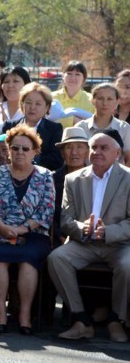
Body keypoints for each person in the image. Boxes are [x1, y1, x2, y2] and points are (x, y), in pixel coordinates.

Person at [49, 129, 130, 343]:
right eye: (94, 148)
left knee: (128, 264)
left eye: (104, 148)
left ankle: (116, 319)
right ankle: (81, 319)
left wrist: (109, 232)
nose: (97, 152)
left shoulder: (128, 179)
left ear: (117, 152)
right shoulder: (73, 179)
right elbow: (66, 219)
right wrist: (81, 228)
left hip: (119, 244)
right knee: (57, 258)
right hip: (83, 242)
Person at [0, 124, 55, 335]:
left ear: (34, 151)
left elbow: (46, 211)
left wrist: (22, 229)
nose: (19, 152)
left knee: (28, 258)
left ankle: (24, 315)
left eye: (25, 148)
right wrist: (2, 227)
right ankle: (1, 314)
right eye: (15, 148)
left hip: (32, 234)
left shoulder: (45, 176)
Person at [3, 82, 63, 171]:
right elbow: (2, 152)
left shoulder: (54, 129)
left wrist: (28, 162)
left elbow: (56, 159)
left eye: (38, 104)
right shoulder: (10, 126)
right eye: (28, 102)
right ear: (22, 104)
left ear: (47, 107)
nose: (32, 107)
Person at [74, 83, 130, 164]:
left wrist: (122, 176)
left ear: (117, 102)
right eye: (100, 98)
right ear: (92, 100)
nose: (105, 103)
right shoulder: (81, 127)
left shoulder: (124, 128)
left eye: (109, 99)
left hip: (116, 175)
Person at [54, 61, 93, 128]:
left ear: (84, 79)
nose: (72, 78)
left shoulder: (91, 100)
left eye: (77, 74)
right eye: (69, 73)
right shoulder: (51, 98)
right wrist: (72, 120)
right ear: (63, 76)